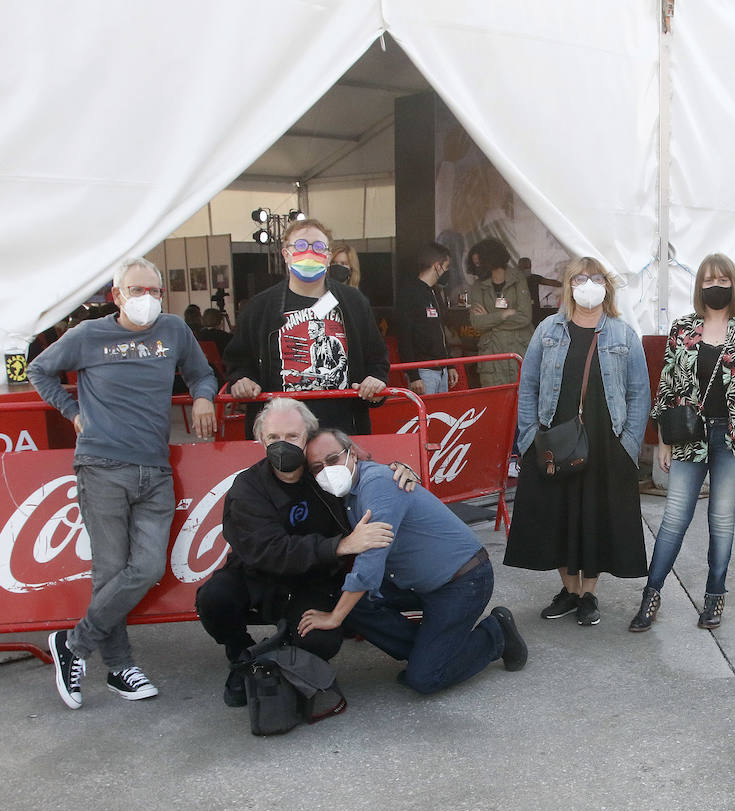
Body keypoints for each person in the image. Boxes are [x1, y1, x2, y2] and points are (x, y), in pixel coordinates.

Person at [28, 256, 217, 710]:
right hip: (102, 467)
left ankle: (73, 644)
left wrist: (204, 398)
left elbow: (201, 371)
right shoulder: (89, 334)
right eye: (138, 291)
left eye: (154, 291)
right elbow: (39, 370)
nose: (147, 299)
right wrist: (73, 412)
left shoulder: (173, 330)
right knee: (110, 572)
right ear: (117, 296)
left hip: (154, 468)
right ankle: (119, 668)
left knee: (147, 568)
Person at [195, 397, 422, 706]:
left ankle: (270, 657)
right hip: (257, 577)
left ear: (308, 438)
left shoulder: (325, 474)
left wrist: (401, 471)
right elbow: (270, 550)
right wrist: (339, 546)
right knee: (213, 598)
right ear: (260, 439)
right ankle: (241, 654)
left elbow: (366, 472)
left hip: (312, 581)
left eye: (292, 436)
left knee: (322, 639)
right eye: (273, 437)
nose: (282, 444)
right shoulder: (247, 487)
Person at [300, 429, 527, 694]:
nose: (327, 471)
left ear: (352, 452)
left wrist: (334, 617)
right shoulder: (350, 492)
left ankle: (495, 634)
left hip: (463, 581)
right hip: (417, 583)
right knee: (356, 604)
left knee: (424, 679)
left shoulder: (377, 483)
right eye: (317, 467)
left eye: (332, 459)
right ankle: (429, 653)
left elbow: (371, 559)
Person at [635, 254, 735, 632]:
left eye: (722, 278)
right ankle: (651, 593)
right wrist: (663, 440)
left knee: (721, 518)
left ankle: (714, 597)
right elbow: (666, 387)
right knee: (674, 517)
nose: (716, 284)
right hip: (688, 437)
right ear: (699, 285)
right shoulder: (682, 329)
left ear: (733, 283)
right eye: (708, 279)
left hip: (733, 439)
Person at [504, 257, 650, 626]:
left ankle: (589, 595)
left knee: (596, 516)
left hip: (605, 442)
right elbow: (529, 387)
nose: (588, 284)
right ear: (569, 286)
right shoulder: (547, 330)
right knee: (557, 514)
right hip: (555, 439)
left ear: (607, 286)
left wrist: (628, 446)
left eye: (596, 277)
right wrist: (529, 439)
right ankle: (569, 590)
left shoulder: (623, 334)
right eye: (580, 278)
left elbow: (639, 394)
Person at [223, 218, 389, 436]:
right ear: (285, 254)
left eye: (319, 247)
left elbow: (377, 360)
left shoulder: (354, 303)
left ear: (329, 257)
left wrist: (375, 383)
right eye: (300, 245)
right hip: (281, 434)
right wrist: (241, 380)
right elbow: (237, 360)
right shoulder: (260, 307)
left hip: (342, 431)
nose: (310, 252)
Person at [393, 241, 460, 395]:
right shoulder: (409, 293)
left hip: (442, 369)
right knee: (425, 417)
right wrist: (413, 375)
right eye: (446, 266)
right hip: (424, 373)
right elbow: (404, 337)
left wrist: (449, 364)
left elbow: (441, 332)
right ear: (437, 265)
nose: (447, 271)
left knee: (440, 417)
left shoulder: (435, 293)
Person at [468, 238, 534, 387]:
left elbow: (525, 317)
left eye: (479, 263)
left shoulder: (518, 278)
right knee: (495, 402)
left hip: (519, 351)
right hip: (492, 356)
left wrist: (490, 320)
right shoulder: (478, 286)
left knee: (524, 401)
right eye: (474, 264)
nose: (476, 267)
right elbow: (477, 323)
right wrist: (503, 315)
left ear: (492, 259)